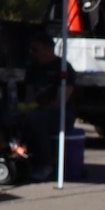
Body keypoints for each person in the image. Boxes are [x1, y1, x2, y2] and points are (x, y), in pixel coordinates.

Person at [21, 33, 74, 182]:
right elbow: (29, 95)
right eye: (31, 50)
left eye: (36, 49)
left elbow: (61, 100)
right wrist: (27, 108)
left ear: (48, 49)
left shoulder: (63, 67)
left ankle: (45, 164)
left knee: (38, 119)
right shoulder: (33, 67)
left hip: (61, 113)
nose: (33, 53)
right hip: (37, 110)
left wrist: (39, 108)